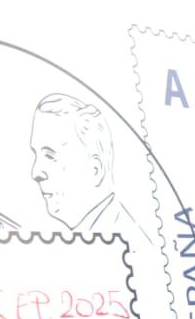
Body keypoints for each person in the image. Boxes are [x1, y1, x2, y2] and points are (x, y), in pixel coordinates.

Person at [28, 93, 148, 246]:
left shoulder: (127, 246)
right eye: (36, 155)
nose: (36, 173)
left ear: (95, 169)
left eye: (50, 156)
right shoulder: (94, 237)